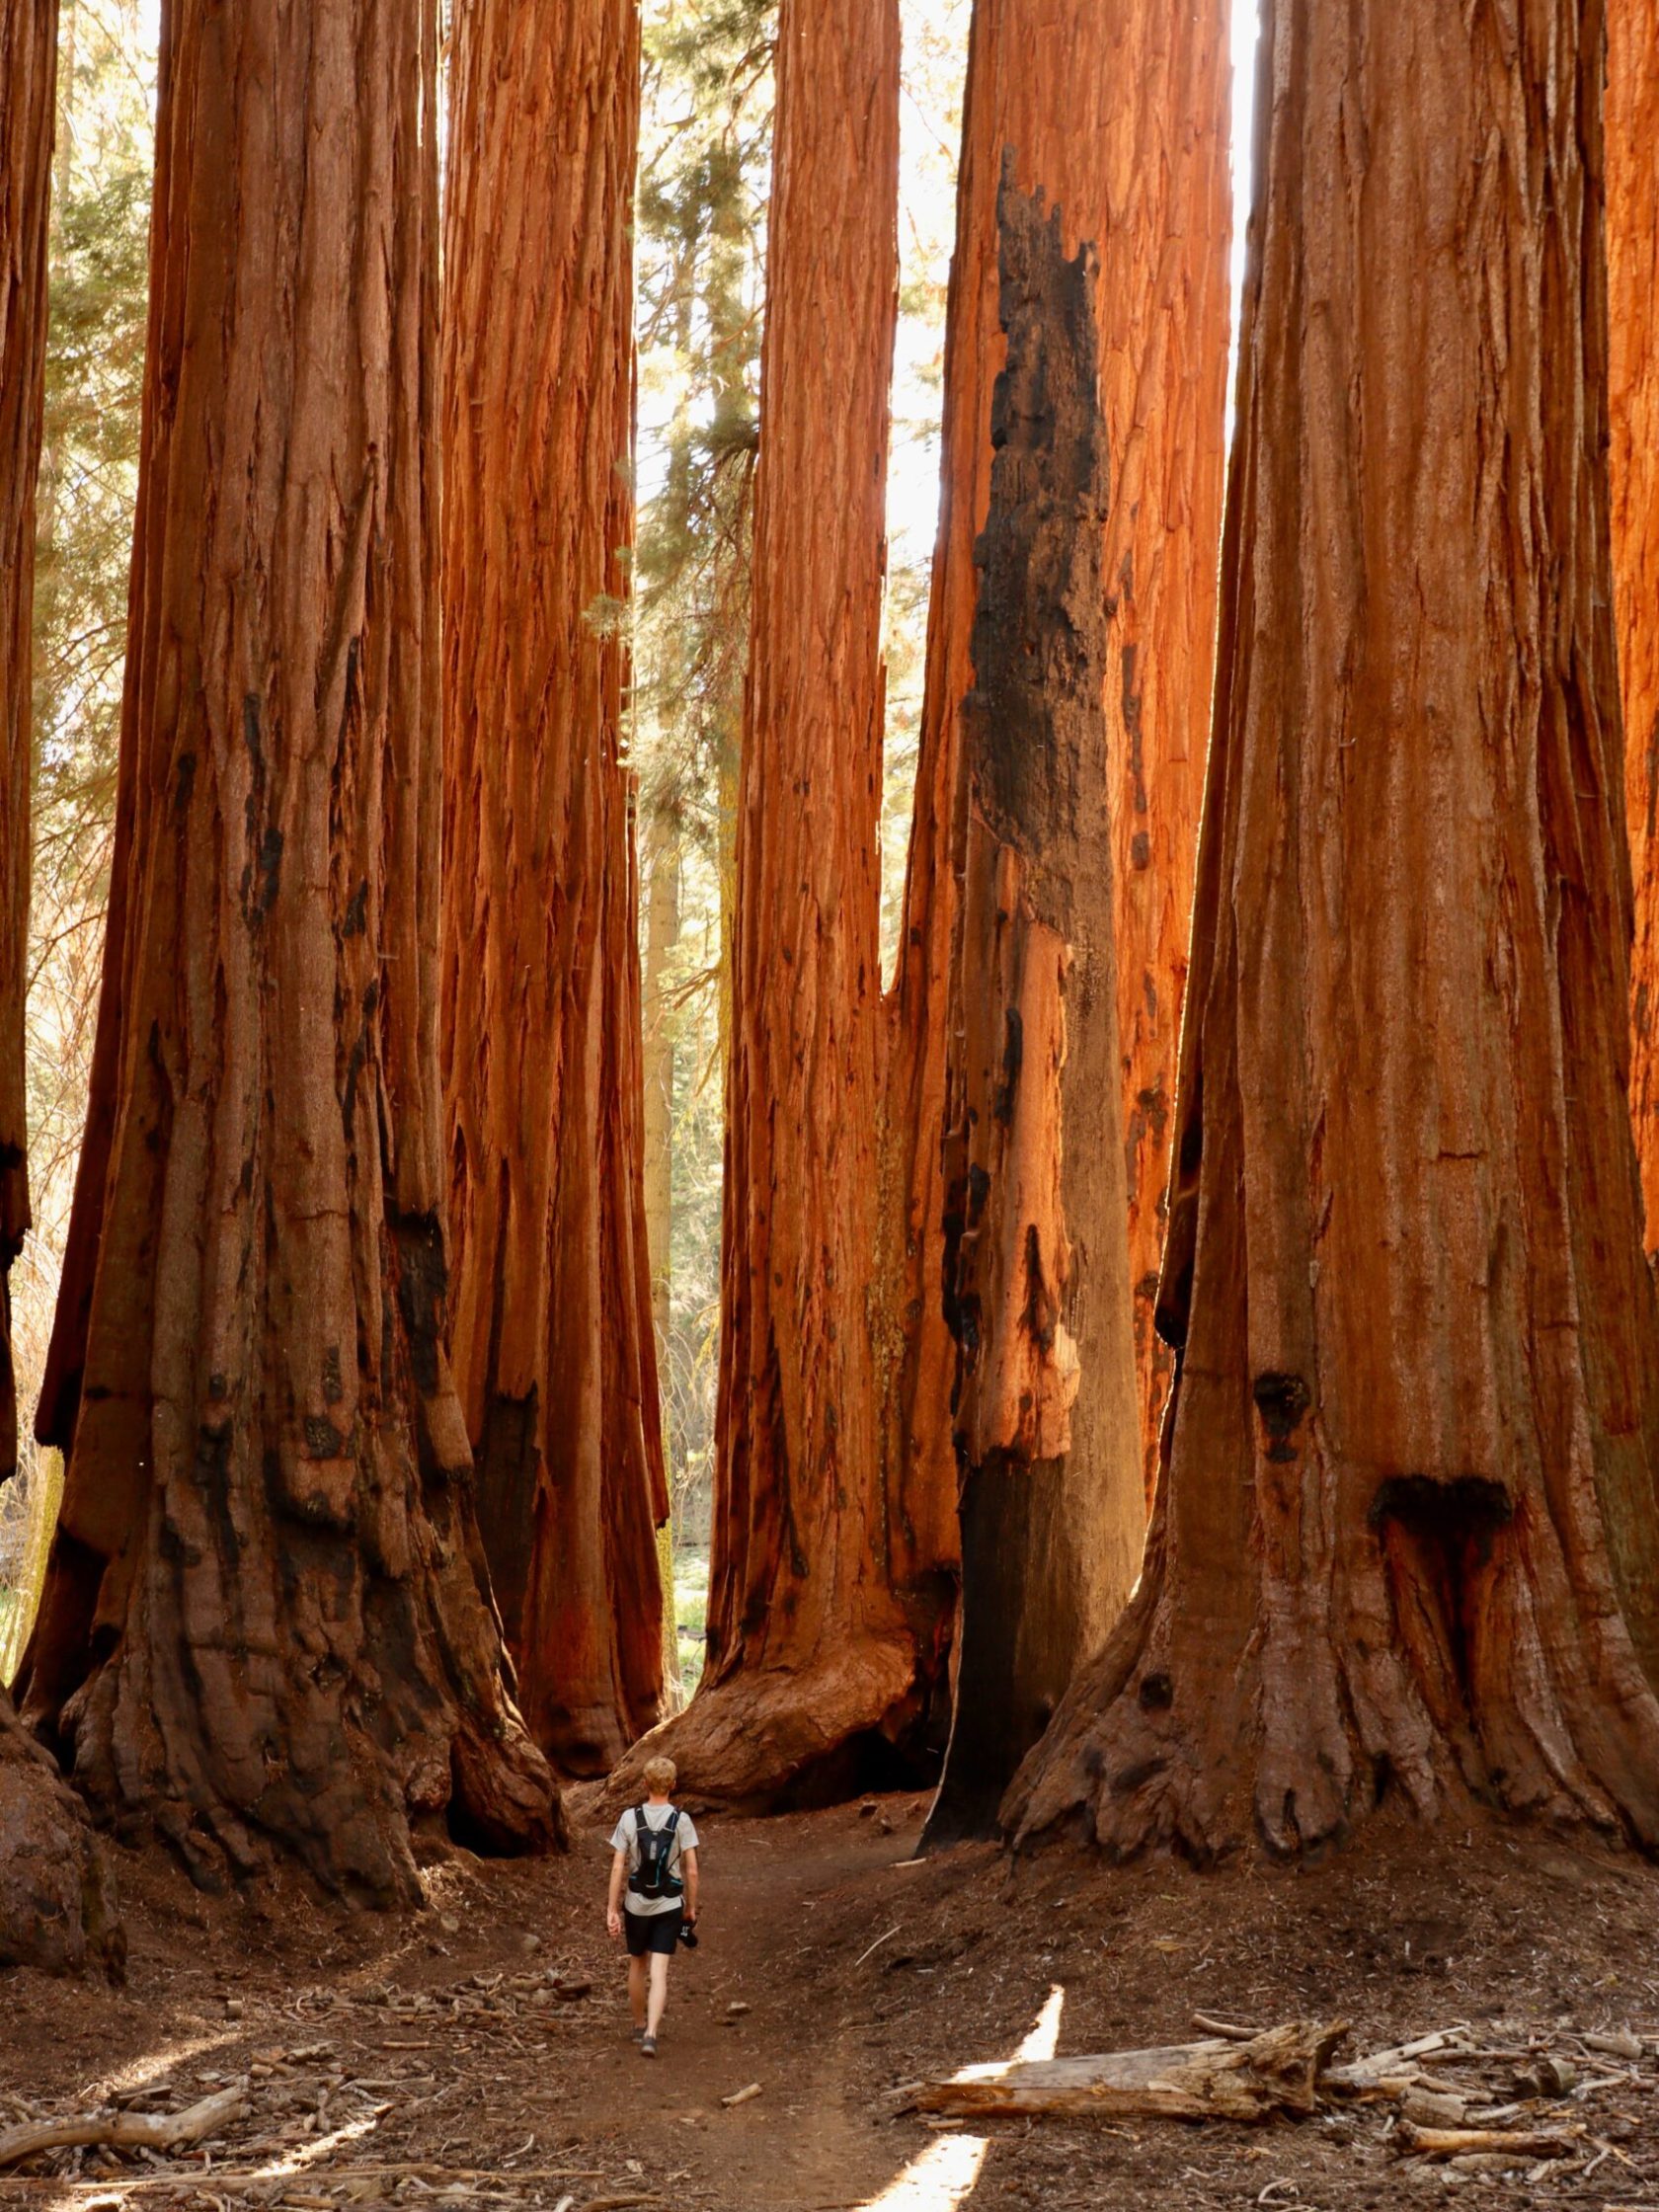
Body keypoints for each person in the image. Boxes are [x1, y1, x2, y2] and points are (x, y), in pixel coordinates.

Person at [606, 1755, 699, 2057]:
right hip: (669, 1904)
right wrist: (691, 1908)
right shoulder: (681, 1820)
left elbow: (618, 1867)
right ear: (673, 1785)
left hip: (636, 1905)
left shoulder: (629, 1819)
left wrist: (612, 1908)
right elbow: (692, 1870)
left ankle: (637, 2024)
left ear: (645, 1784)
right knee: (659, 1971)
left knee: (637, 1964)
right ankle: (651, 2035)